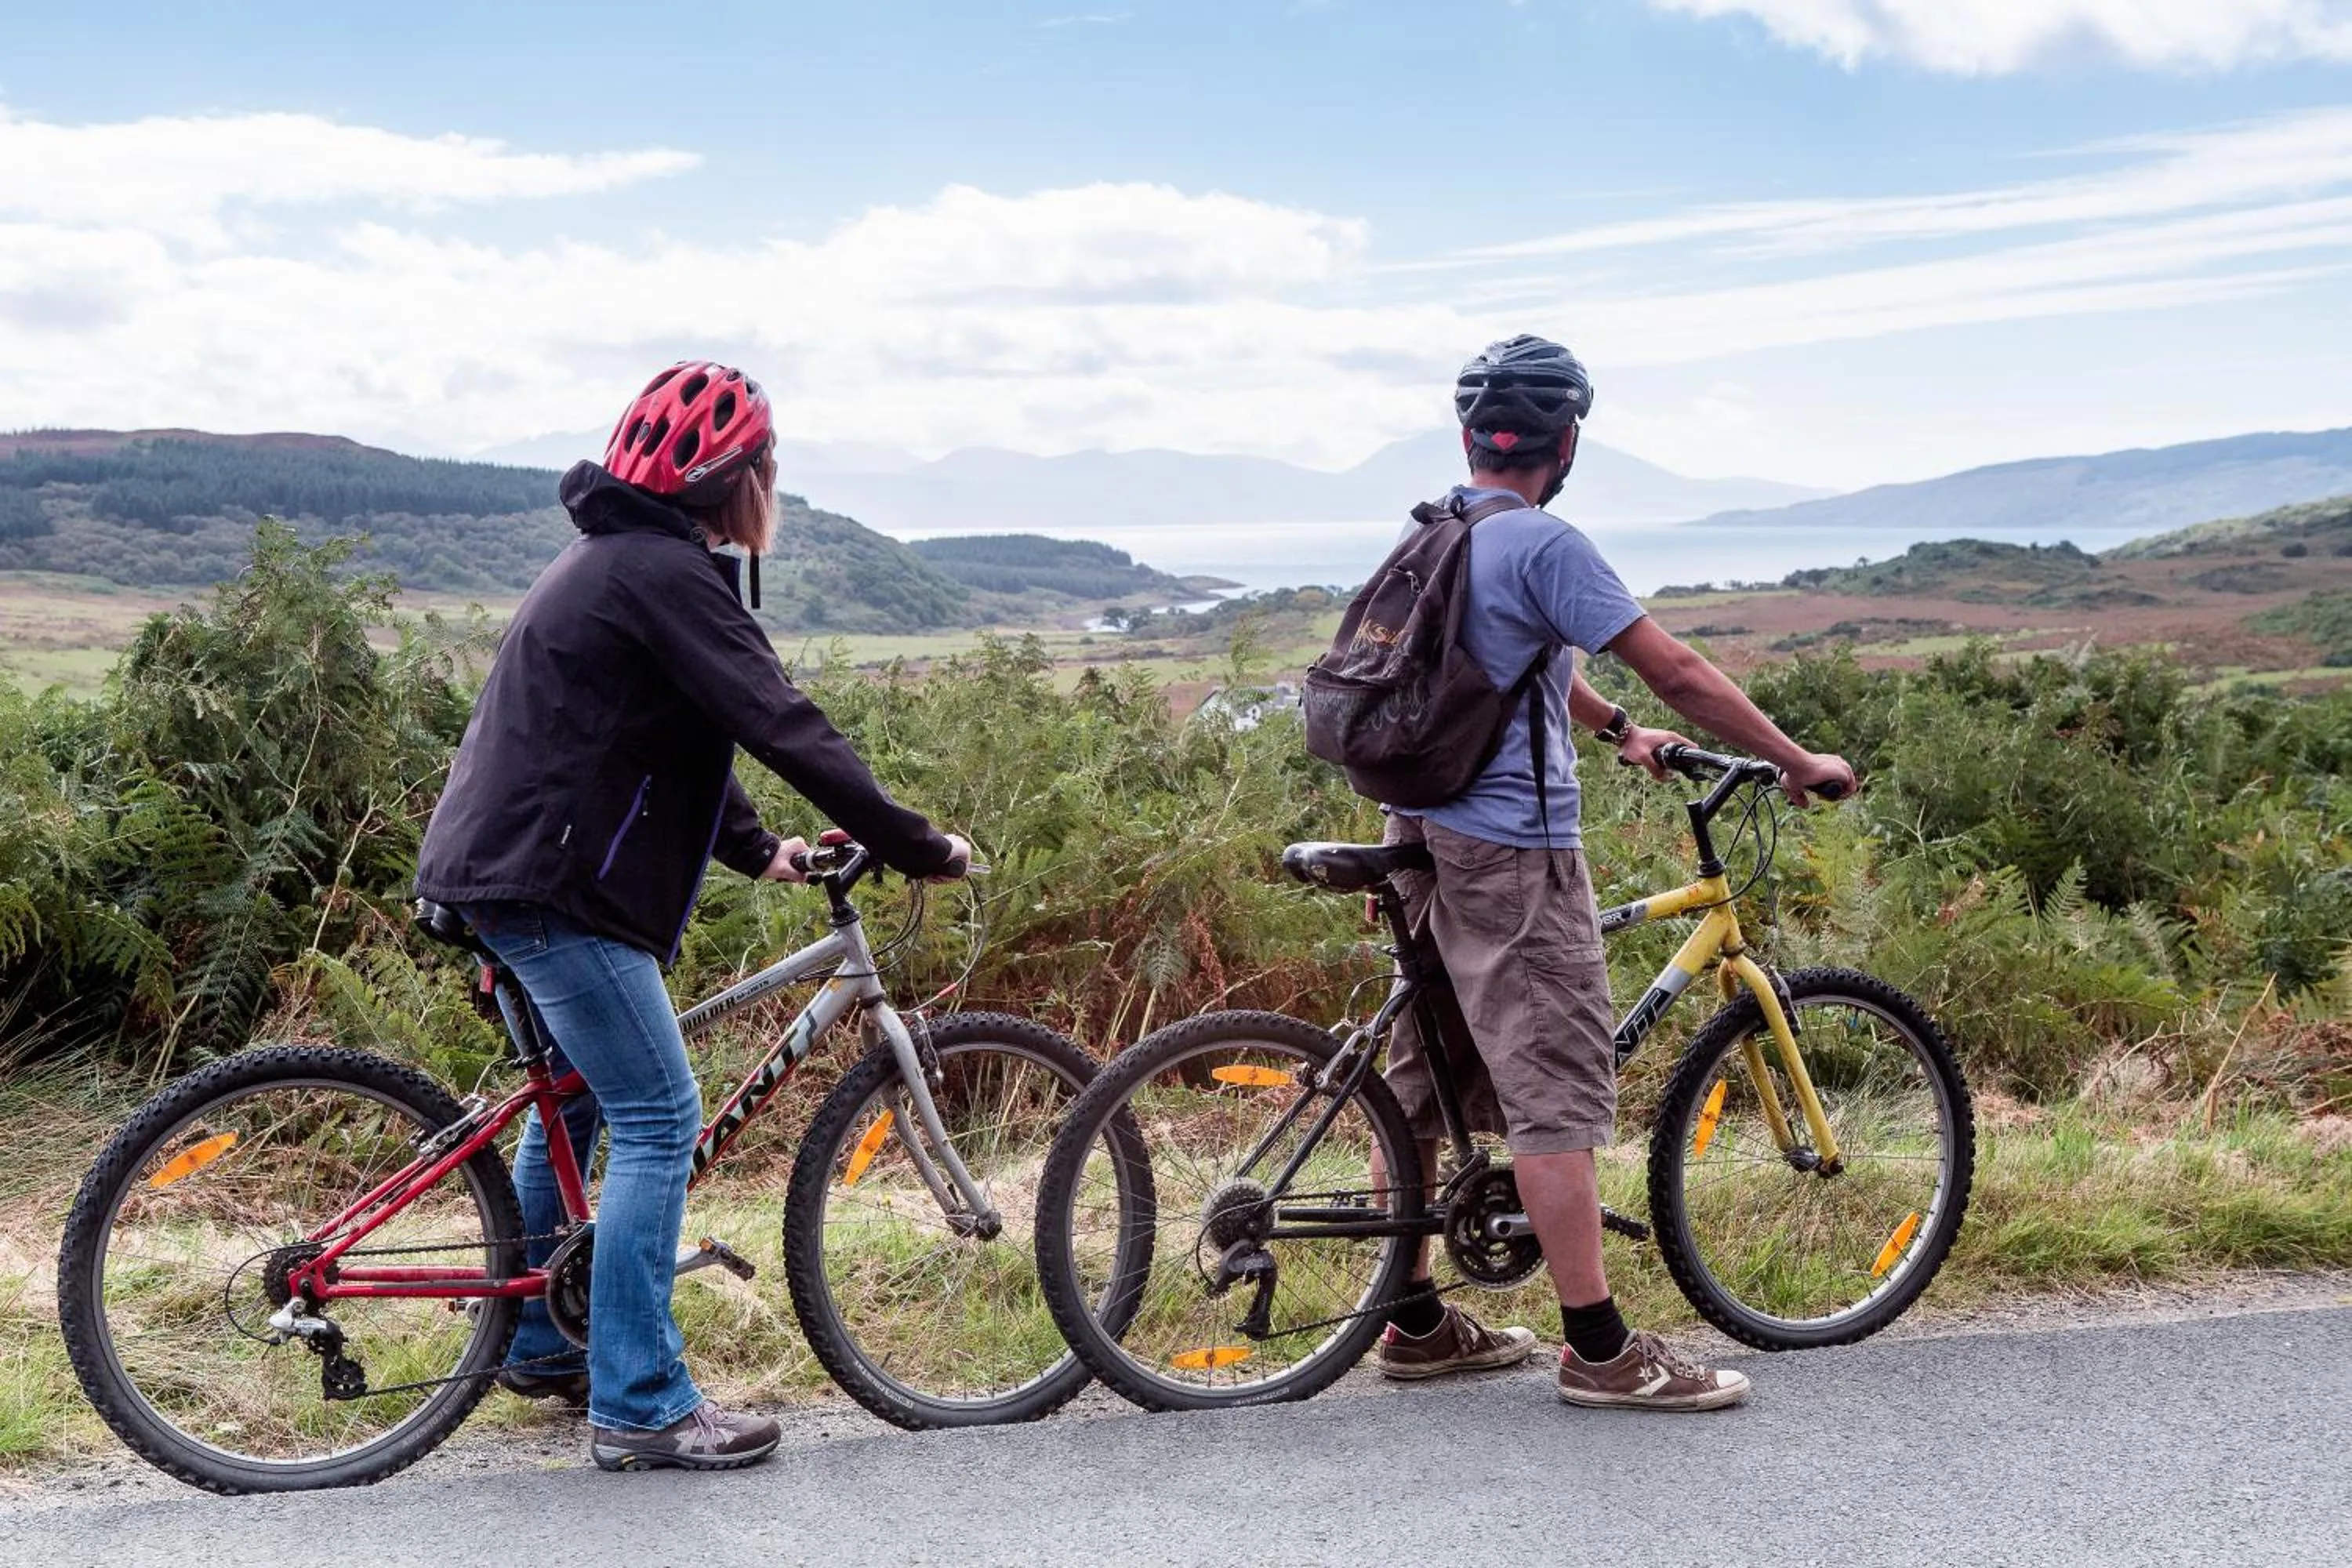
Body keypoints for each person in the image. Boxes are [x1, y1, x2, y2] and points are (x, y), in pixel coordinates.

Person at [414, 361, 971, 1471]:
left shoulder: (620, 563)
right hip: (548, 888)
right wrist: (918, 843)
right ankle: (642, 1404)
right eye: (771, 468)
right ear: (740, 479)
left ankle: (539, 1338)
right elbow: (781, 722)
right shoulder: (664, 576)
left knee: (571, 1104)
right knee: (661, 1113)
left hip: (503, 871)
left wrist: (761, 849)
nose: (774, 488)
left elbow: (672, 733)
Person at [1367, 335, 1856, 1410]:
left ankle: (1410, 1323)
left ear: (1467, 440)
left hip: (1417, 833)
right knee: (1553, 1089)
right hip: (1509, 849)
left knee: (1424, 1078)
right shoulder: (1546, 542)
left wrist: (1613, 727)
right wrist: (1797, 760)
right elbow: (1677, 666)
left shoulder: (1439, 530)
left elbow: (1508, 663)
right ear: (1569, 442)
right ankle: (1598, 1350)